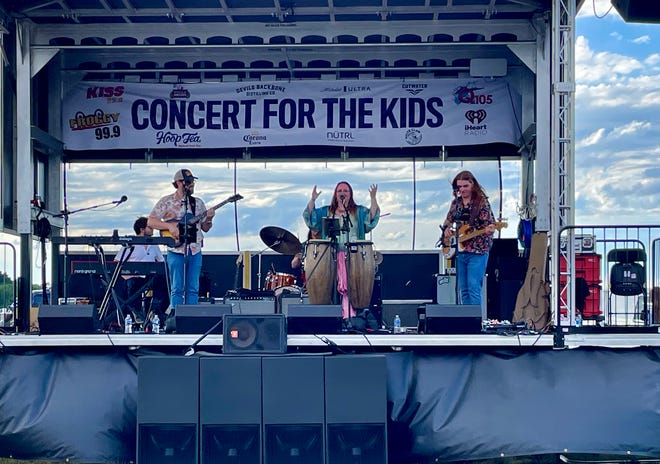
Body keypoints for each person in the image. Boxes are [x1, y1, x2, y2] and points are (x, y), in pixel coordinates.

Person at [303, 181, 379, 319]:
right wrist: (313, 199)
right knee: (332, 289)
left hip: (354, 257)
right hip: (330, 257)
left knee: (353, 288)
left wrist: (373, 198)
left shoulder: (358, 211)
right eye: (339, 191)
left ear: (350, 194)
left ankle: (352, 318)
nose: (342, 193)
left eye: (346, 191)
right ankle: (335, 318)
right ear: (335, 194)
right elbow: (310, 219)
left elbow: (371, 220)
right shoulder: (327, 212)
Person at [148, 168, 215, 309]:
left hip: (195, 249)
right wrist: (169, 227)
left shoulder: (198, 203)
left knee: (193, 288)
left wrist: (209, 218)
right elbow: (151, 221)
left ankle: (190, 318)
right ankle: (175, 319)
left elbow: (205, 228)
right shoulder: (166, 201)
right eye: (189, 182)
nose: (191, 185)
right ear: (179, 183)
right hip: (175, 249)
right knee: (177, 287)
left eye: (193, 182)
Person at [441, 170, 495, 306]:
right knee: (463, 289)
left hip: (478, 250)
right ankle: (466, 320)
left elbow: (489, 225)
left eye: (465, 186)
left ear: (472, 185)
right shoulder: (456, 204)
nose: (462, 189)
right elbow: (447, 221)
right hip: (461, 251)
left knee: (473, 288)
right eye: (459, 187)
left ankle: (475, 322)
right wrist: (446, 230)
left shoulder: (481, 203)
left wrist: (489, 230)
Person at [114, 217, 167, 325]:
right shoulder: (130, 243)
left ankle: (156, 311)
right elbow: (117, 262)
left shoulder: (154, 244)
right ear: (142, 229)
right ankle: (135, 315)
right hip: (134, 278)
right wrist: (127, 275)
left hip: (150, 278)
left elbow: (161, 262)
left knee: (168, 285)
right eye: (150, 227)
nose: (152, 229)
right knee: (131, 286)